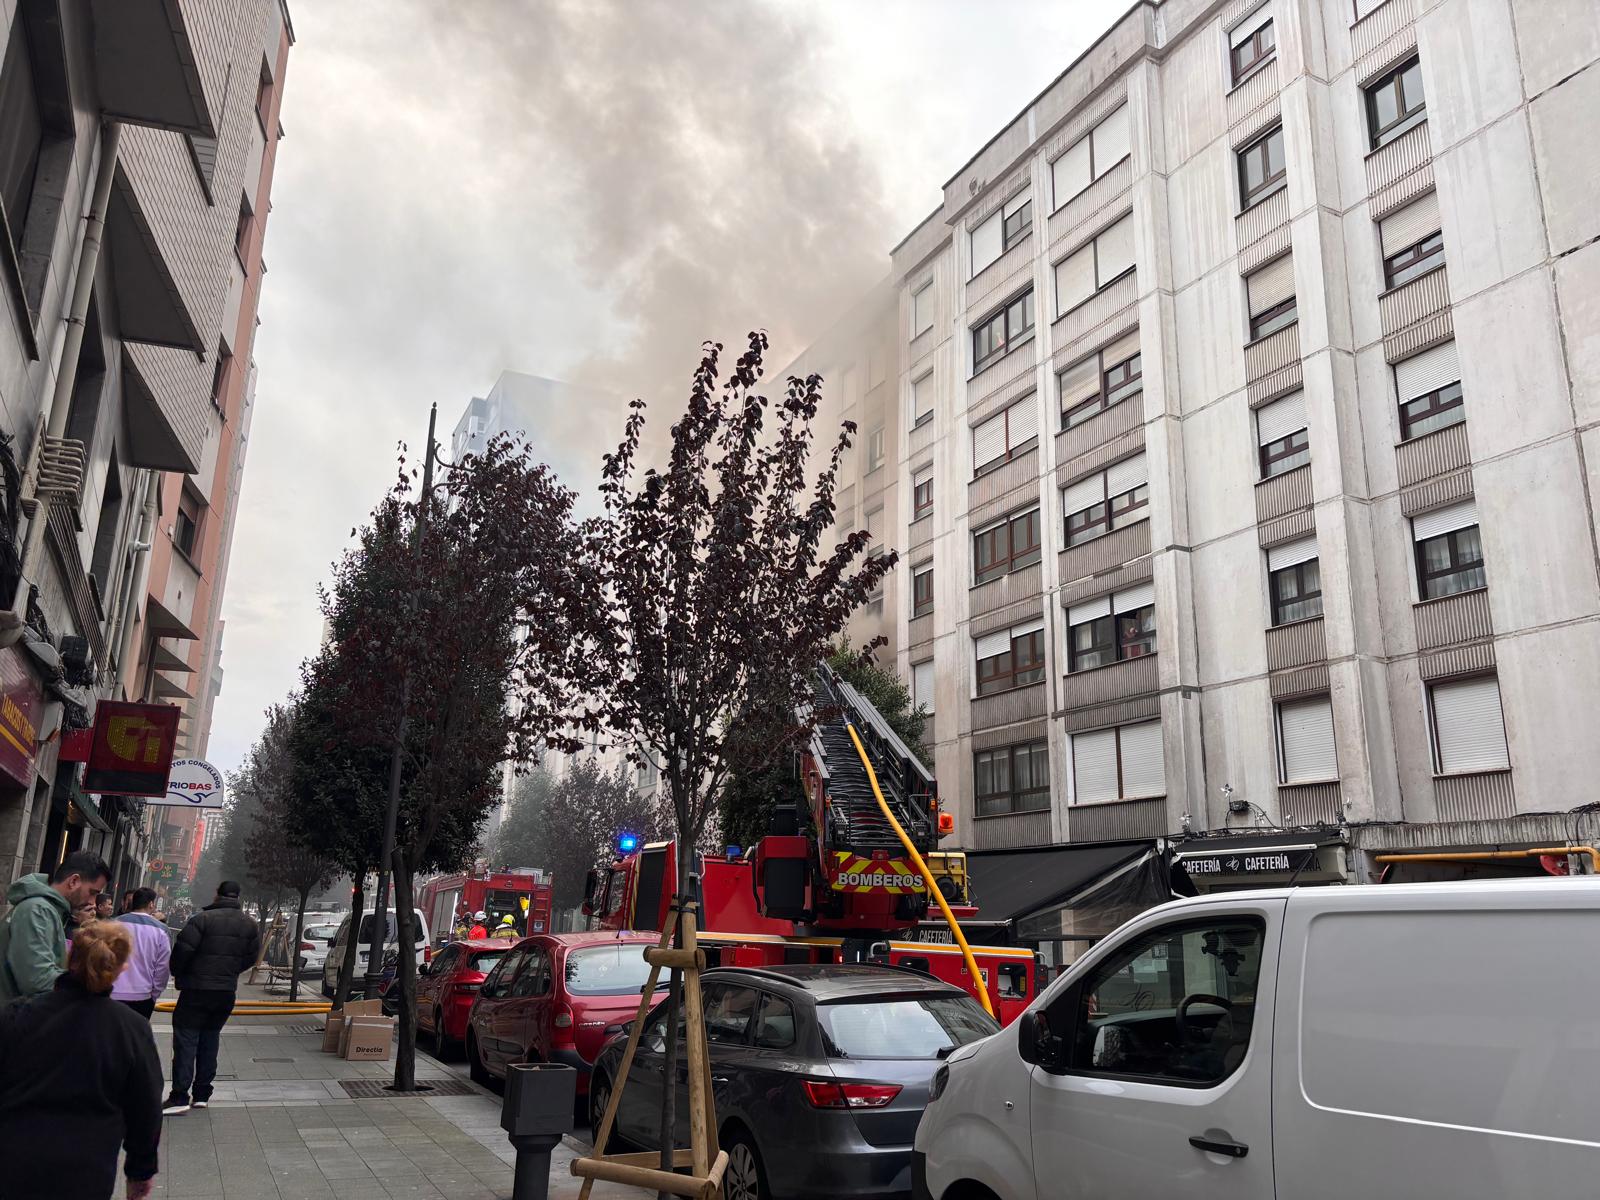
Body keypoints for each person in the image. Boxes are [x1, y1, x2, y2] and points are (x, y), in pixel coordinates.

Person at [0, 920, 163, 1200]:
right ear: (119, 969)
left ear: (69, 958)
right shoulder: (131, 1028)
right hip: (86, 1169)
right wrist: (140, 1170)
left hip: (13, 1159)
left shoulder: (18, 1014)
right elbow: (145, 1105)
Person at [163, 881, 260, 1114]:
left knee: (187, 1041)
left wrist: (179, 972)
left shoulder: (201, 920)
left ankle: (179, 1096)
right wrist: (230, 971)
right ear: (238, 897)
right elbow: (251, 957)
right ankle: (202, 1093)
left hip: (196, 989)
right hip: (225, 991)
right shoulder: (249, 924)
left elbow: (183, 951)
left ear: (217, 895)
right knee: (210, 1038)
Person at [0, 850, 111, 1003]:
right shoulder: (38, 910)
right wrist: (84, 991)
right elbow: (37, 979)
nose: (93, 902)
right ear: (73, 881)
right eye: (92, 892)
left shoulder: (48, 910)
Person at [112, 887, 172, 1019]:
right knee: (136, 1036)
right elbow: (163, 967)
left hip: (112, 992)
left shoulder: (113, 924)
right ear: (151, 904)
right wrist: (154, 994)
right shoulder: (161, 930)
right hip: (142, 994)